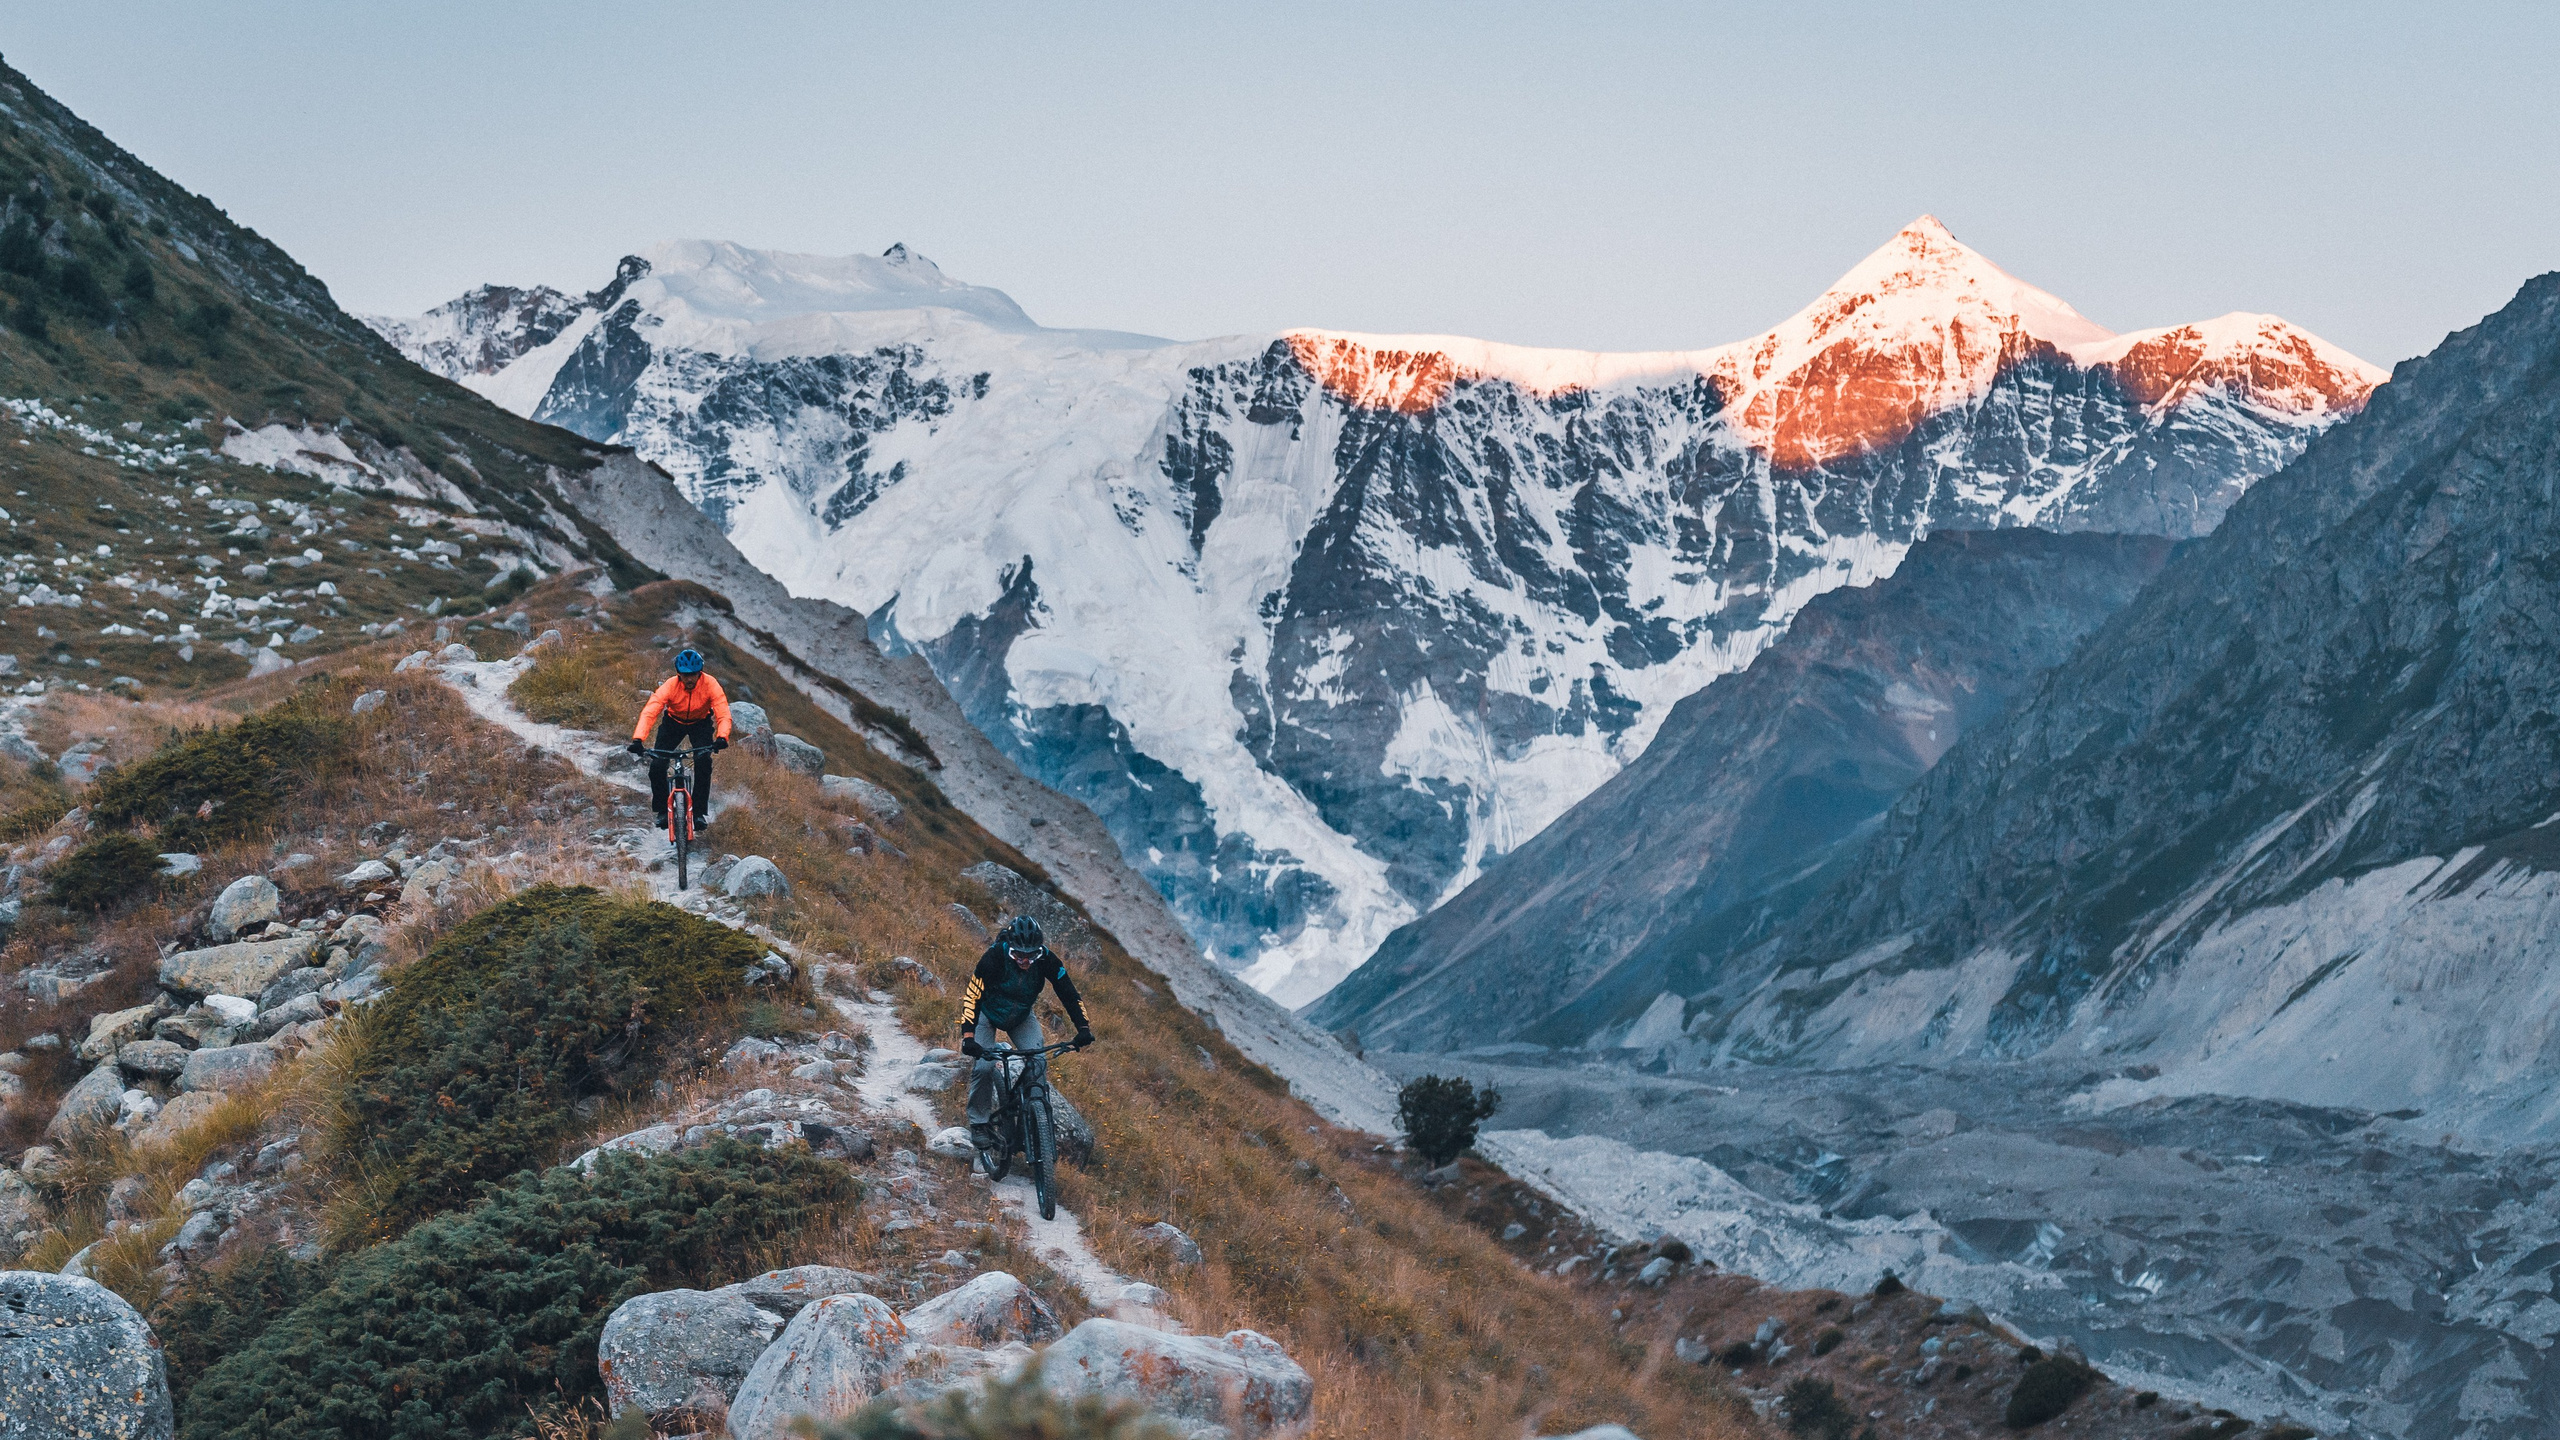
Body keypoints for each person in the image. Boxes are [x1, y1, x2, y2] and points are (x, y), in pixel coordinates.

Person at [957, 915, 1095, 1164]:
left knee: (1038, 1064)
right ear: (1009, 948)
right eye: (1018, 955)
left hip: (1021, 1016)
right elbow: (972, 995)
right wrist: (969, 1036)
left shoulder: (1047, 960)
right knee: (985, 1066)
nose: (1023, 961)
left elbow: (1069, 993)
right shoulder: (994, 956)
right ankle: (979, 1123)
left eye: (1030, 956)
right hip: (987, 1014)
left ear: (1038, 951)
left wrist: (1083, 1027)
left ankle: (1034, 1124)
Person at [627, 648, 731, 832]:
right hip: (673, 723)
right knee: (658, 765)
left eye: (693, 675)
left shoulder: (710, 684)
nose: (689, 679)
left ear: (700, 673)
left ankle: (698, 813)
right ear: (678, 674)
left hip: (700, 723)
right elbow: (650, 711)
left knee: (703, 761)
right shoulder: (670, 686)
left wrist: (722, 736)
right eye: (685, 675)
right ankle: (661, 811)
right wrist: (638, 739)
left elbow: (722, 711)